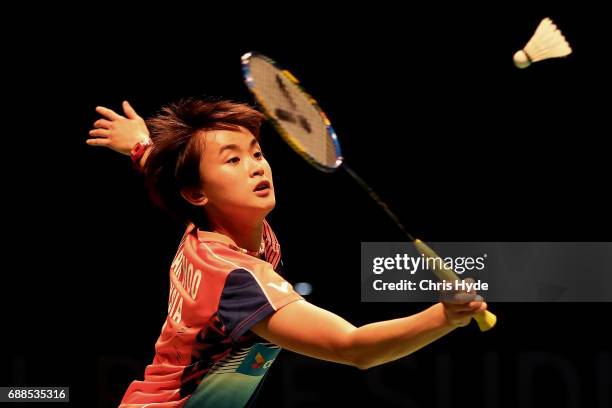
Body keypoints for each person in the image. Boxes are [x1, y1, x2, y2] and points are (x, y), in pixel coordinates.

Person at [88, 98, 488, 407]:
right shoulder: (236, 280)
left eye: (257, 153)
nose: (256, 167)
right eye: (233, 159)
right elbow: (352, 348)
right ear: (197, 194)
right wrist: (445, 316)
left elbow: (172, 172)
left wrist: (142, 146)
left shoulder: (212, 224)